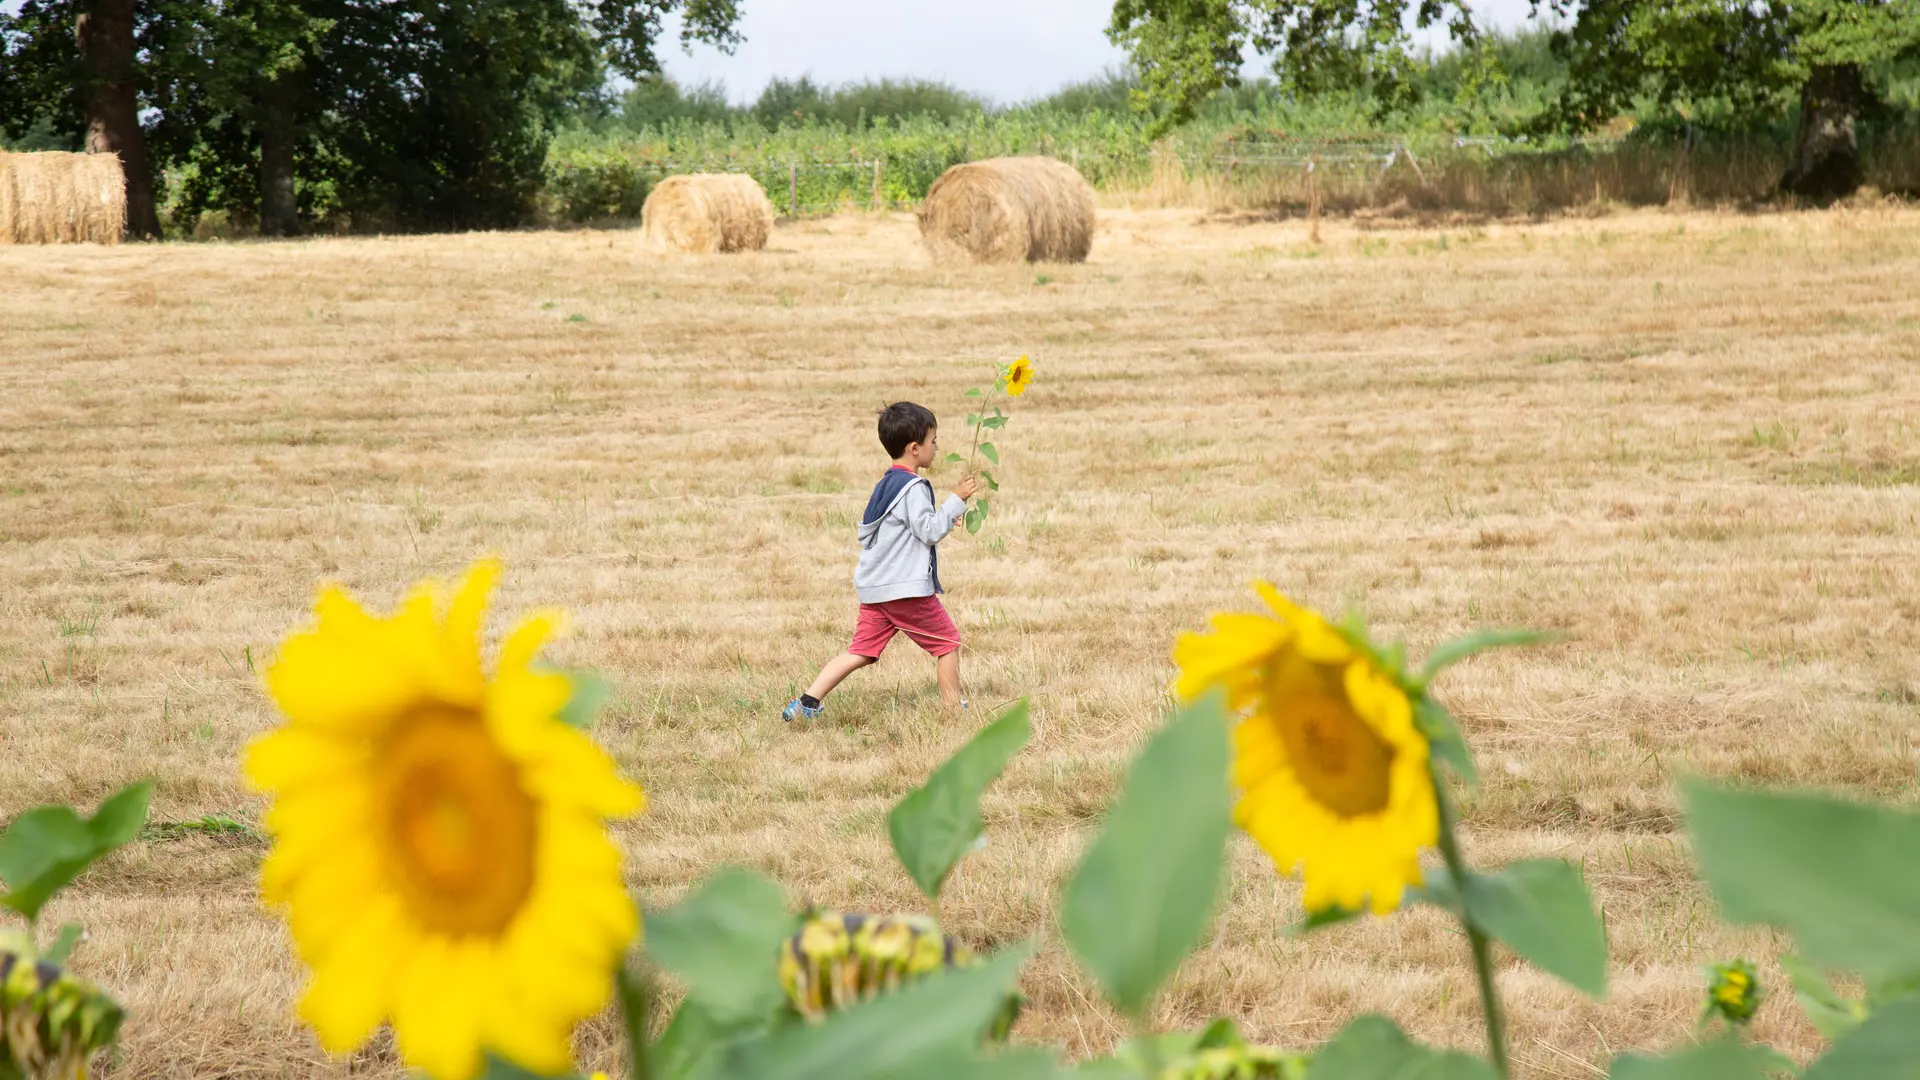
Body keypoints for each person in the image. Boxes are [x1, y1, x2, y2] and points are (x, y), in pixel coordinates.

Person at [784, 402, 980, 722]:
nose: (936, 447)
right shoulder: (914, 488)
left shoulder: (888, 483)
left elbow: (909, 527)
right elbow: (928, 532)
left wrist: (941, 517)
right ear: (914, 448)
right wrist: (955, 501)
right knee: (947, 643)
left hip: (875, 588)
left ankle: (806, 702)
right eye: (933, 441)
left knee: (860, 652)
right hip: (903, 590)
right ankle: (951, 709)